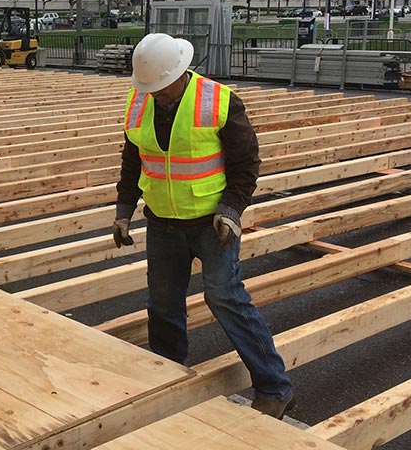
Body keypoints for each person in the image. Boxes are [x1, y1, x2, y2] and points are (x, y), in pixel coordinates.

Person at [113, 33, 293, 419]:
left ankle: (275, 388)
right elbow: (133, 159)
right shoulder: (140, 100)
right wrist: (124, 209)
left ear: (180, 73)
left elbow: (246, 164)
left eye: (162, 89)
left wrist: (231, 210)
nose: (157, 96)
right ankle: (169, 378)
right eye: (151, 90)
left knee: (225, 297)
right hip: (162, 222)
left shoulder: (219, 101)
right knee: (163, 304)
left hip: (211, 224)